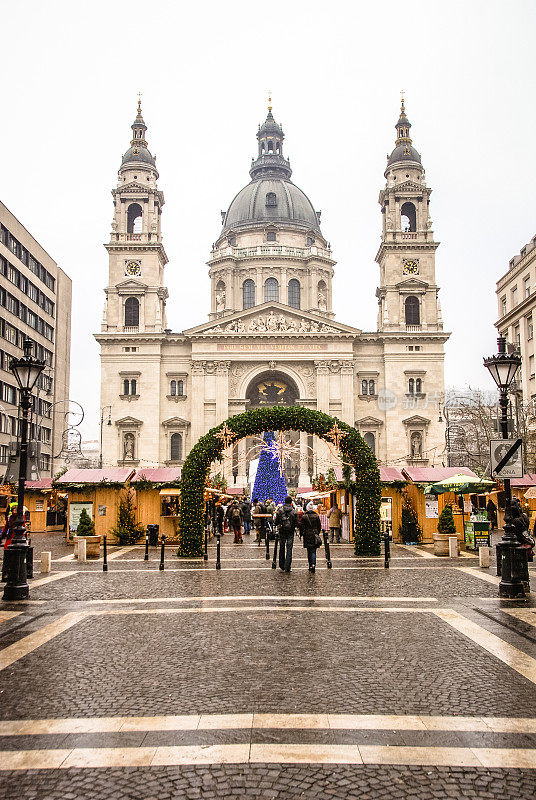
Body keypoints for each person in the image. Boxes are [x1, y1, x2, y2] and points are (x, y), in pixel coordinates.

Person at [274, 496, 298, 572]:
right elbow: (296, 523)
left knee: (282, 547)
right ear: (291, 502)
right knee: (289, 549)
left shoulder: (280, 511)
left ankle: (282, 565)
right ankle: (288, 566)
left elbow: (276, 522)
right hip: (290, 531)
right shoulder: (294, 511)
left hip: (282, 531)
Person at [300, 501, 322, 573]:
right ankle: (313, 565)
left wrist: (301, 534)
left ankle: (310, 565)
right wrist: (317, 533)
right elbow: (319, 526)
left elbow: (302, 527)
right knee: (313, 551)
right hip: (314, 534)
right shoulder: (316, 516)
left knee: (309, 550)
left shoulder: (304, 516)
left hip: (307, 534)